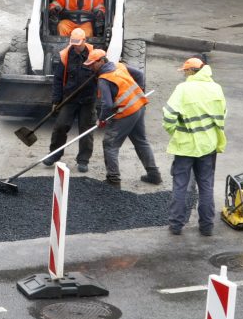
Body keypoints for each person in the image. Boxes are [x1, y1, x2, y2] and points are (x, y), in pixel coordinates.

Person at [162, 57, 227, 237]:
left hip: (185, 146)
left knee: (181, 185)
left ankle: (176, 225)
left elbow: (168, 115)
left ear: (191, 71)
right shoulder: (216, 88)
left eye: (185, 71)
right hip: (208, 145)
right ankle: (207, 227)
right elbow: (223, 114)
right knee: (206, 185)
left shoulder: (183, 89)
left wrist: (174, 131)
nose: (184, 74)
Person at [83, 49, 160, 186]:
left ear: (101, 61)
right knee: (141, 141)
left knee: (110, 144)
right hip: (139, 106)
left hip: (126, 112)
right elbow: (140, 74)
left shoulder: (104, 79)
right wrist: (139, 91)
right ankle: (154, 175)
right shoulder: (119, 65)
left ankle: (113, 179)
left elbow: (107, 105)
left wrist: (102, 120)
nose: (90, 67)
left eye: (92, 64)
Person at [43, 28, 96, 172]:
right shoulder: (66, 55)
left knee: (86, 130)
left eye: (78, 43)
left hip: (88, 100)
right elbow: (58, 80)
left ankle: (83, 161)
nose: (75, 46)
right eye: (73, 43)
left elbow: (105, 74)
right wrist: (56, 100)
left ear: (84, 41)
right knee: (60, 127)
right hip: (70, 99)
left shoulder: (94, 55)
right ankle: (54, 155)